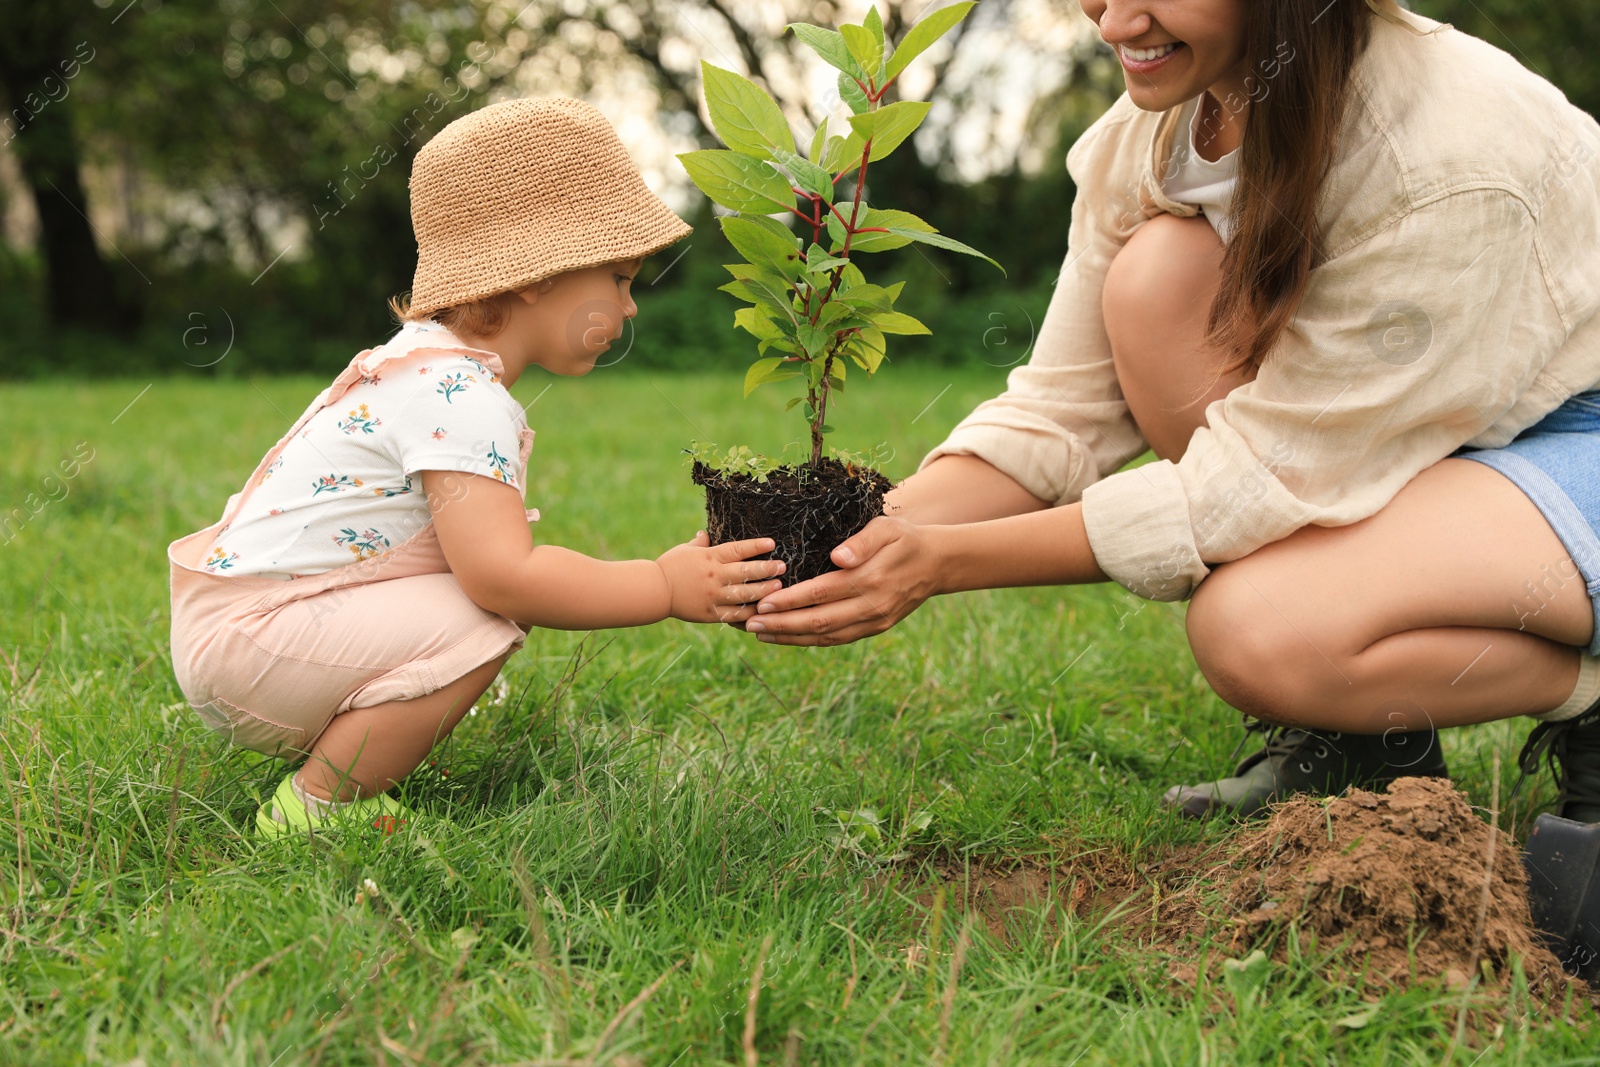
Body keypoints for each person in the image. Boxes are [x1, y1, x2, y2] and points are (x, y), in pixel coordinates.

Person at [745, 0, 1600, 822]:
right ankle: (1362, 747)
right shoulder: (1155, 132)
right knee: (1159, 275)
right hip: (1446, 432)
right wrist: (848, 536)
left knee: (1258, 629)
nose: (1115, 22)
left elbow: (1251, 484)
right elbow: (1062, 409)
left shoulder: (1444, 157)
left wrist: (941, 560)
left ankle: (1591, 698)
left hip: (1575, 432)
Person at [168, 98, 785, 838]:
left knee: (477, 604)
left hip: (243, 631)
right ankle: (319, 808)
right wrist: (661, 584)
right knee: (485, 611)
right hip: (254, 647)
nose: (630, 308)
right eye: (619, 279)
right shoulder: (459, 394)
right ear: (534, 273)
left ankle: (354, 751)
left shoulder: (426, 366)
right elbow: (503, 577)